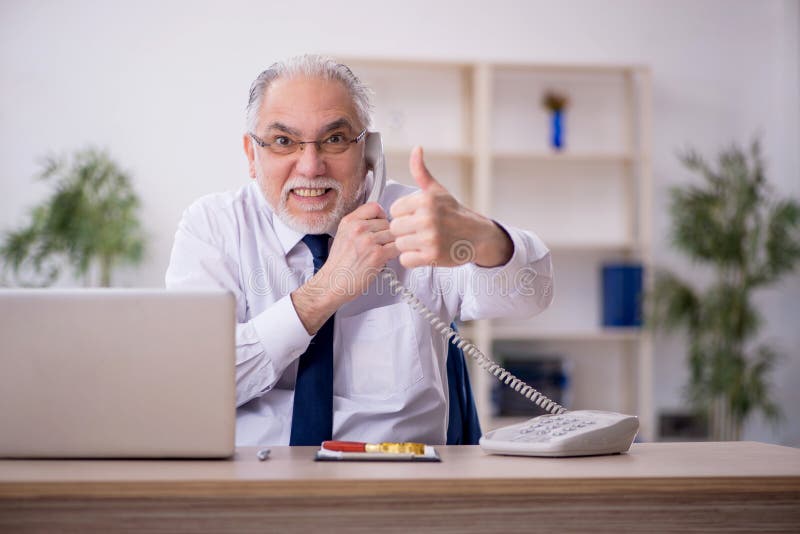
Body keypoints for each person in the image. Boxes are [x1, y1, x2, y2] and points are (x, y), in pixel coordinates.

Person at [165, 54, 553, 446]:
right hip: (252, 481)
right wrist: (326, 290)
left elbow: (532, 296)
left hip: (397, 481)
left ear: (368, 151)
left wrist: (482, 237)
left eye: (334, 139)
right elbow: (194, 385)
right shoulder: (212, 228)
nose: (311, 166)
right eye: (284, 142)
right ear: (252, 155)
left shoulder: (416, 219)